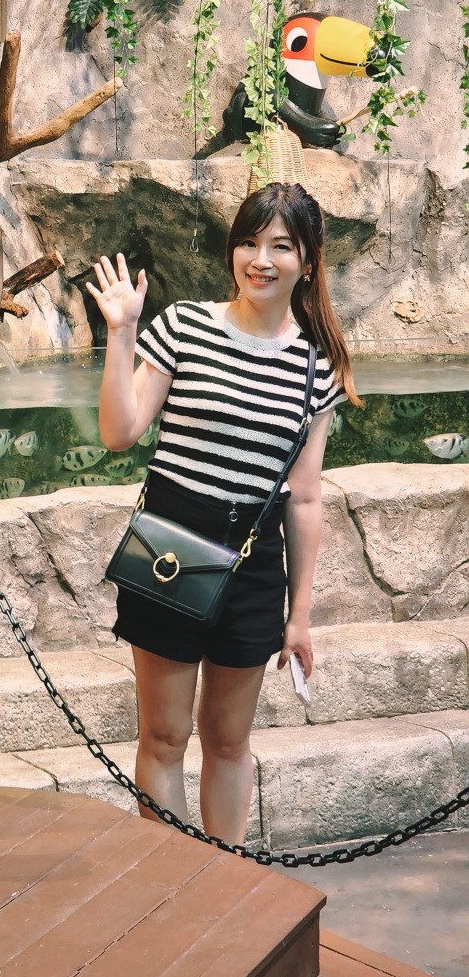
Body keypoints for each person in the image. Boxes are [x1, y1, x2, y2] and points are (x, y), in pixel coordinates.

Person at [88, 182, 360, 845]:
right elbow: (119, 433)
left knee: (229, 741)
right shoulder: (185, 325)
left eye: (278, 246)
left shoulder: (313, 367)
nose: (258, 259)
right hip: (172, 545)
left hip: (252, 561)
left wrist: (297, 616)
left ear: (307, 261)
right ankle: (173, 884)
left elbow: (305, 496)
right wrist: (121, 331)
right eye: (247, 241)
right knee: (163, 733)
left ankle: (225, 884)